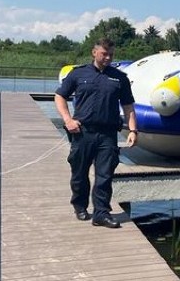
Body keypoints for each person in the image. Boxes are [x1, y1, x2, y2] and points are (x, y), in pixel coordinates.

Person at [54, 38, 138, 228]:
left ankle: (101, 213)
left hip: (108, 134)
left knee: (105, 175)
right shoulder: (78, 74)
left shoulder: (119, 78)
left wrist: (133, 130)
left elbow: (128, 106)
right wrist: (68, 119)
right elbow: (60, 96)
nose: (108, 58)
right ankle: (80, 206)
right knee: (79, 174)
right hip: (83, 132)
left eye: (111, 55)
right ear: (94, 52)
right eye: (104, 54)